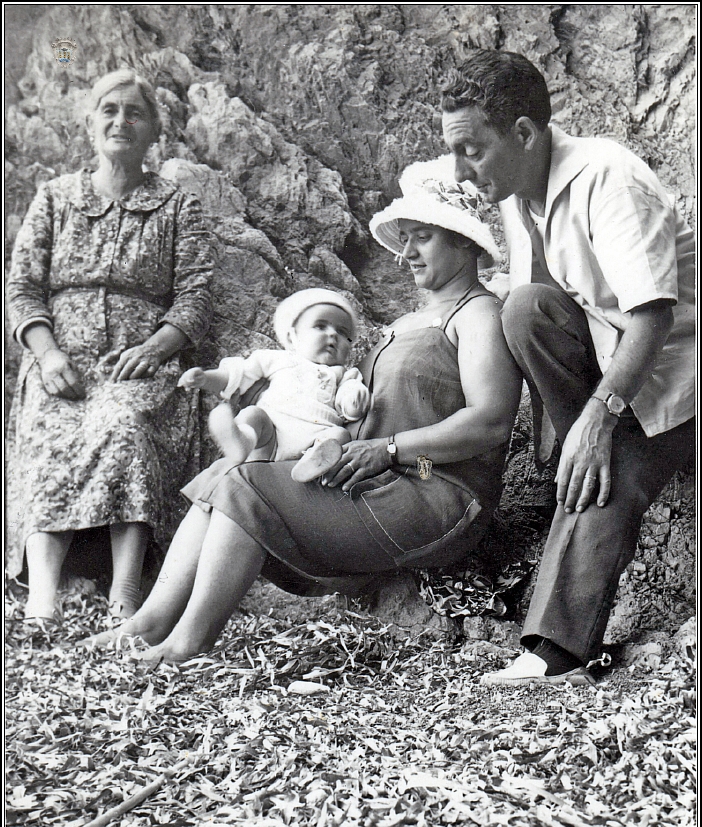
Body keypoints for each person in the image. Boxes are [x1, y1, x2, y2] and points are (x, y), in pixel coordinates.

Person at [84, 158, 522, 663]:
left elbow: (491, 421)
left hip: (434, 487)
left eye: (421, 237)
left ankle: (190, 641)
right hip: (377, 478)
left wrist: (390, 447)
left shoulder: (479, 313)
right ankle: (152, 620)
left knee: (245, 485)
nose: (406, 253)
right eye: (404, 238)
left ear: (463, 241)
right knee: (226, 473)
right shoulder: (409, 321)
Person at [440, 50, 695, 686]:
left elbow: (653, 318)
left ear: (524, 133)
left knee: (610, 467)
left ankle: (556, 649)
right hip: (618, 360)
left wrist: (598, 420)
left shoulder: (609, 178)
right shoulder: (519, 191)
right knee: (523, 309)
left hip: (678, 373)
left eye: (471, 149)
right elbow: (535, 304)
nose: (460, 168)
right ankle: (578, 454)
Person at [6, 68, 213, 623]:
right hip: (61, 363)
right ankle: (42, 599)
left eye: (135, 113)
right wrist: (47, 355)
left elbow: (195, 294)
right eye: (109, 111)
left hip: (135, 364)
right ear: (91, 124)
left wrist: (159, 346)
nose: (121, 121)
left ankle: (126, 594)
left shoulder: (176, 207)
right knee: (51, 433)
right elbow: (22, 288)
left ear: (153, 134)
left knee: (122, 428)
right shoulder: (54, 198)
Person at [178, 288, 370, 483]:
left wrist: (354, 403)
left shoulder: (345, 374)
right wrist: (205, 378)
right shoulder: (277, 359)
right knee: (253, 414)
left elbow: (349, 400)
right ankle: (241, 443)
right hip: (271, 436)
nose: (332, 335)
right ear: (292, 337)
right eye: (320, 326)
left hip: (315, 440)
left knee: (340, 434)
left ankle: (313, 463)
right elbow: (238, 375)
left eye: (342, 332)